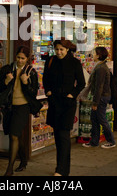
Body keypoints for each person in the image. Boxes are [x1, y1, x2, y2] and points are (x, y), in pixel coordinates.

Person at [0, 46, 40, 176]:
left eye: (23, 58)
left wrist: (25, 83)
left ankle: (9, 168)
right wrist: (6, 81)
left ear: (27, 59)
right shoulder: (8, 69)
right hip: (10, 106)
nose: (20, 60)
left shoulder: (31, 72)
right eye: (18, 57)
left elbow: (33, 93)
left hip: (23, 107)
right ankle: (24, 159)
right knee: (16, 134)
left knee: (13, 135)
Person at [43, 38, 85, 176]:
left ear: (67, 49)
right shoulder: (51, 61)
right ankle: (61, 169)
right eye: (57, 50)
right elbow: (45, 79)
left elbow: (81, 83)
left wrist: (72, 95)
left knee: (64, 136)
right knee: (58, 136)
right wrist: (48, 92)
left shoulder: (74, 63)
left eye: (61, 49)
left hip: (67, 104)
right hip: (54, 102)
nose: (59, 52)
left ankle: (61, 170)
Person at [81, 47, 116, 149]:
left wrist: (95, 102)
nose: (93, 55)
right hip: (101, 96)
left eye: (94, 53)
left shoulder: (101, 68)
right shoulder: (100, 66)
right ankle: (94, 141)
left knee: (101, 119)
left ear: (98, 55)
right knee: (94, 119)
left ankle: (111, 141)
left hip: (101, 97)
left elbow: (99, 86)